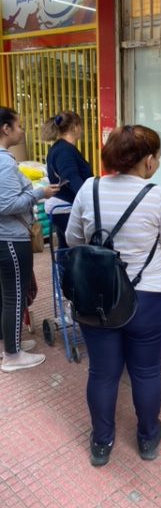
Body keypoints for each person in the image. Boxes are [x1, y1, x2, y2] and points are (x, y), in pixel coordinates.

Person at [65, 125, 161, 467]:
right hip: (148, 299)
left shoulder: (89, 188)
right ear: (148, 161)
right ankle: (147, 437)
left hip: (97, 298)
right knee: (146, 372)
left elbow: (73, 240)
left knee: (102, 373)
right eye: (157, 156)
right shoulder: (158, 196)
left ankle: (102, 443)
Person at [0, 107, 60, 372]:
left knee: (6, 294)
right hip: (10, 238)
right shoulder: (4, 162)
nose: (22, 131)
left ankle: (9, 344)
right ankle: (12, 356)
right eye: (19, 125)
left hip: (6, 237)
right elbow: (6, 204)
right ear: (6, 129)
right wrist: (40, 193)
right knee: (14, 295)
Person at [42, 112, 93, 249]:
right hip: (65, 206)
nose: (82, 130)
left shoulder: (61, 147)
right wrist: (89, 201)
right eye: (81, 126)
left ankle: (63, 264)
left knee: (65, 249)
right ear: (75, 127)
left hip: (64, 205)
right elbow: (71, 177)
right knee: (76, 250)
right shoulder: (64, 150)